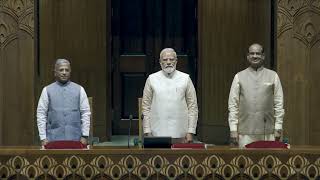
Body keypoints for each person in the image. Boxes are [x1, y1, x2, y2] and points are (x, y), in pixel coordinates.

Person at [228, 43, 285, 148]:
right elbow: (233, 105)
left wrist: (278, 127)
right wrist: (233, 129)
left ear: (263, 56)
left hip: (268, 132)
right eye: (252, 53)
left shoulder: (273, 76)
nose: (255, 56)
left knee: (267, 163)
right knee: (246, 163)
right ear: (248, 56)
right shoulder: (239, 76)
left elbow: (279, 103)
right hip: (245, 132)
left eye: (258, 53)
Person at [142, 48, 198, 143]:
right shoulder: (152, 79)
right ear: (160, 62)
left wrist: (191, 131)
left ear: (176, 61)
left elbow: (192, 107)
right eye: (165, 60)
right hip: (157, 133)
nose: (168, 62)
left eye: (171, 59)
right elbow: (146, 107)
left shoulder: (185, 79)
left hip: (181, 133)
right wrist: (147, 131)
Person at [37, 59, 91, 146]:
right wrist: (43, 137)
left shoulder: (79, 89)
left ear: (70, 72)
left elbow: (85, 113)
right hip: (53, 139)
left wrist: (85, 135)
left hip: (76, 139)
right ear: (55, 72)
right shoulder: (47, 90)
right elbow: (41, 114)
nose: (64, 72)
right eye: (61, 70)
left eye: (67, 70)